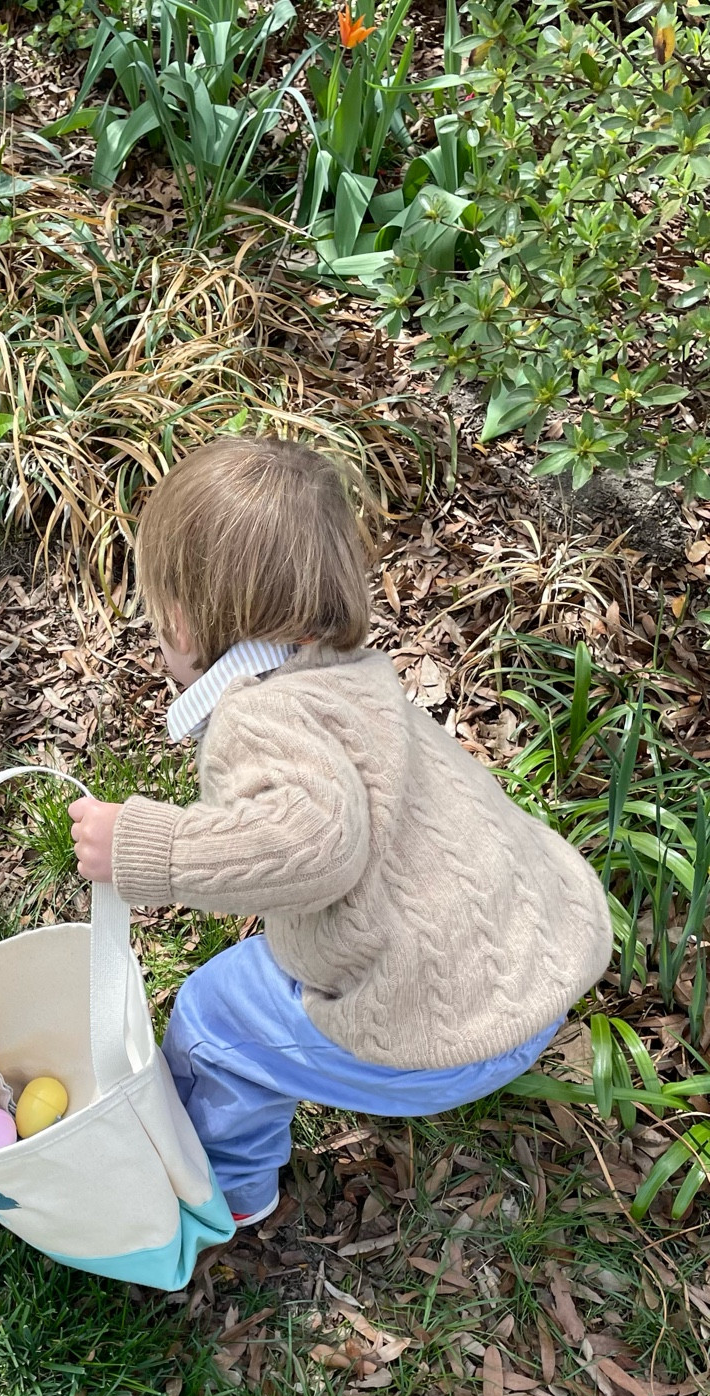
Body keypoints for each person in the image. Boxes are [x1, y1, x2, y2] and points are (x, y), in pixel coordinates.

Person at [68, 438, 612, 1227]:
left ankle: (223, 1193)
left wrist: (149, 848)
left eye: (157, 622)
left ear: (182, 627)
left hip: (447, 1029)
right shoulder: (349, 672)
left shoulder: (257, 714)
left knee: (215, 1017)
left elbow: (316, 843)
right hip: (540, 969)